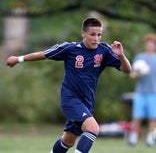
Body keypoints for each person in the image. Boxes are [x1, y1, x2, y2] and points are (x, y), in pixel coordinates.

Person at [6, 17, 131, 153]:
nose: (96, 38)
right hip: (70, 100)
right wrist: (18, 59)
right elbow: (44, 54)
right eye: (92, 34)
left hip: (87, 102)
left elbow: (127, 69)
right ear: (83, 33)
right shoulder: (70, 49)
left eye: (99, 35)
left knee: (68, 141)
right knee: (93, 129)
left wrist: (121, 56)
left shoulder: (104, 50)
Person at [128, 33, 156, 146]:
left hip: (154, 93)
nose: (150, 45)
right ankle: (133, 137)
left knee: (152, 117)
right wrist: (139, 73)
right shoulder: (139, 58)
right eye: (148, 43)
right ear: (145, 45)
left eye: (152, 44)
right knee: (137, 116)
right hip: (140, 92)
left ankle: (150, 138)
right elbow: (132, 75)